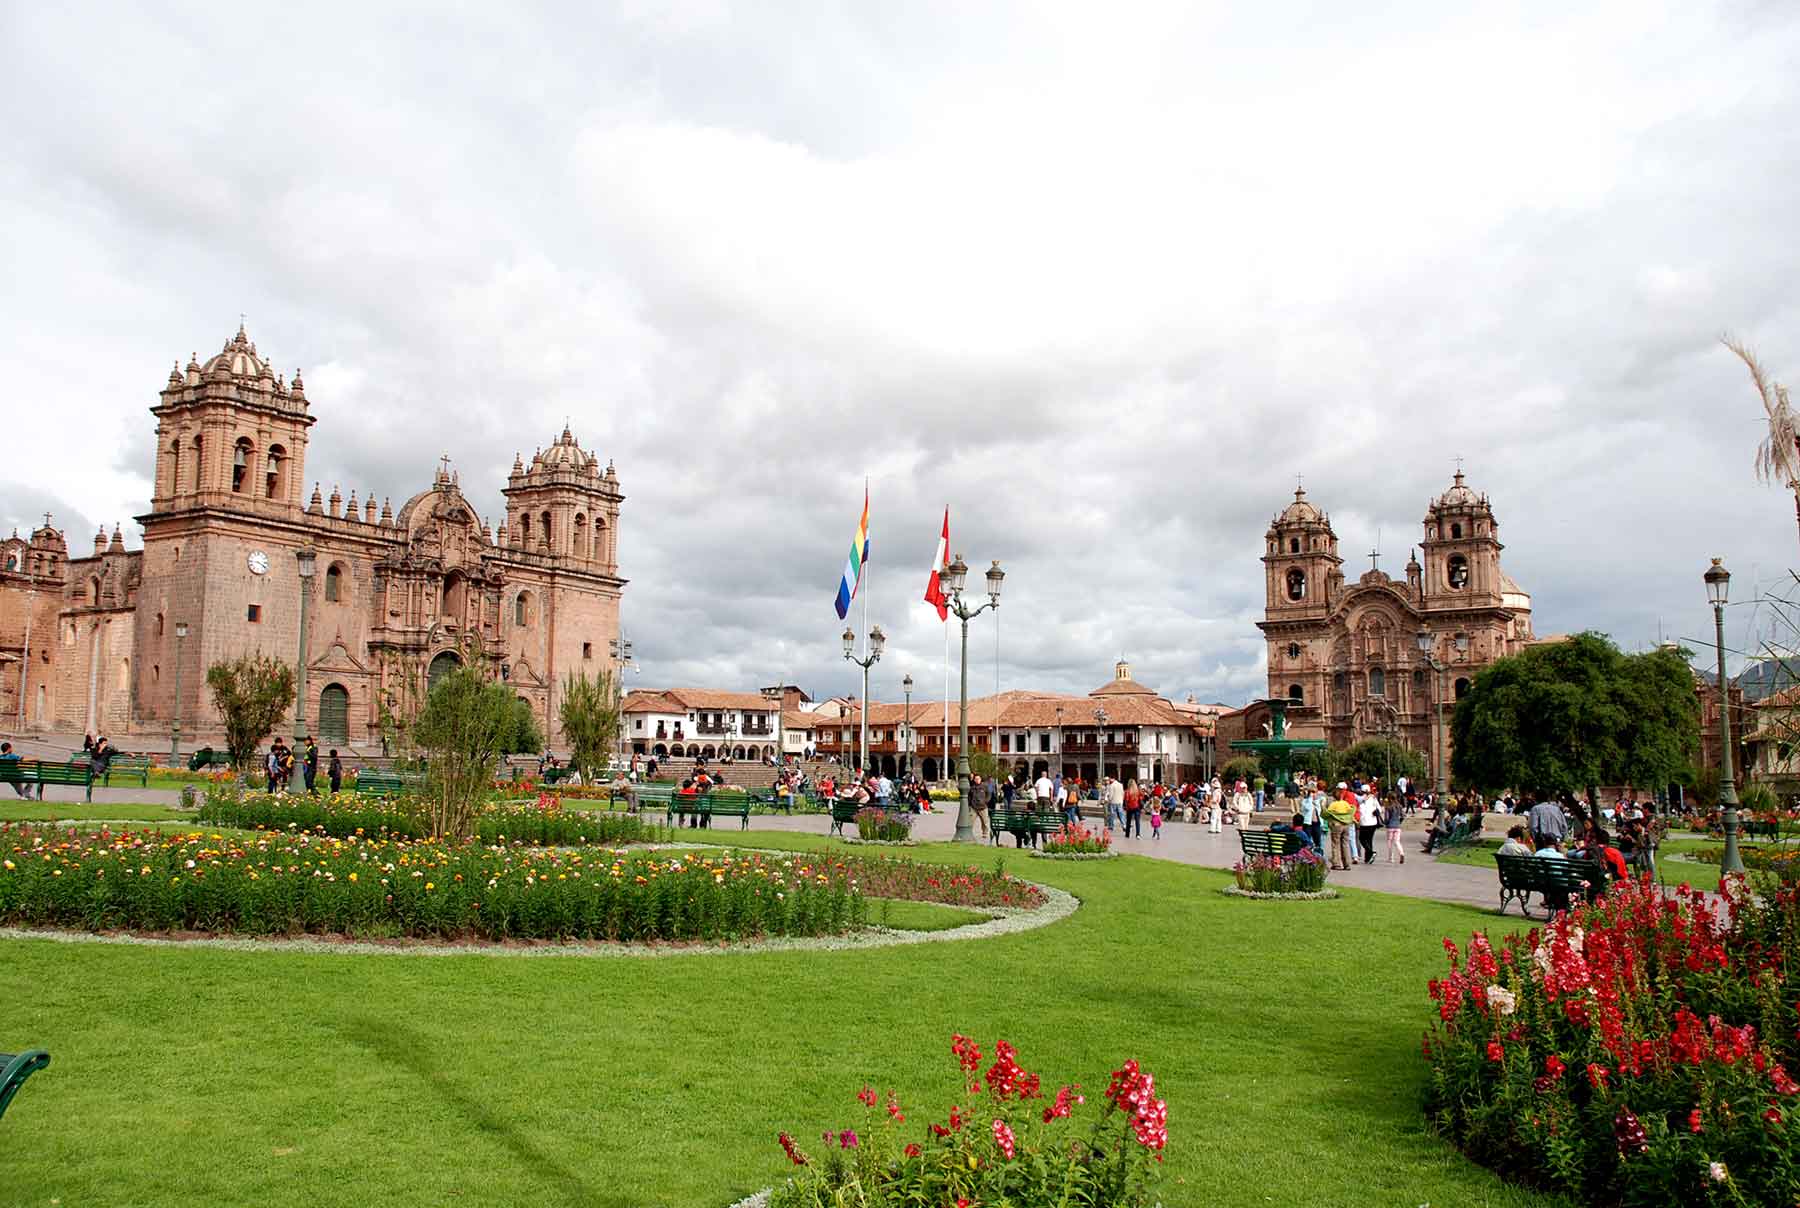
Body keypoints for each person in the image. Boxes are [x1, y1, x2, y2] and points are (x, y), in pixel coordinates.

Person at [1324, 787, 1356, 870]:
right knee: (1345, 844)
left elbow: (1327, 814)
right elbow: (1350, 811)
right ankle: (1347, 864)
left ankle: (1337, 863)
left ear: (1334, 797)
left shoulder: (1333, 805)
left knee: (1335, 844)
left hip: (1336, 825)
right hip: (1345, 825)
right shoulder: (1345, 803)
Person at [1357, 785, 1381, 865]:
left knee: (1362, 839)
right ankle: (1367, 859)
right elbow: (1379, 809)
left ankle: (1371, 852)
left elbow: (1359, 810)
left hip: (1364, 822)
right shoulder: (1373, 798)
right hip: (1373, 822)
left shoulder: (1360, 799)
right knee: (1369, 840)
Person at [1383, 794, 1406, 864]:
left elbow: (1387, 818)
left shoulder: (1388, 807)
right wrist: (1399, 822)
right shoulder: (1399, 806)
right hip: (1397, 826)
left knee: (1390, 842)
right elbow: (1403, 816)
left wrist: (1385, 823)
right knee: (1397, 841)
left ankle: (1391, 858)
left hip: (1390, 826)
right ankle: (1401, 853)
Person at [968, 772, 991, 841]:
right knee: (970, 821)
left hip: (983, 807)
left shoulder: (984, 786)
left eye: (978, 779)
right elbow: (969, 796)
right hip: (974, 807)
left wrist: (986, 801)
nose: (977, 780)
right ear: (974, 780)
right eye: (976, 779)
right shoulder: (972, 787)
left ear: (981, 779)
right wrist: (970, 804)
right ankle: (969, 833)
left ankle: (985, 833)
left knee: (985, 821)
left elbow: (989, 794)